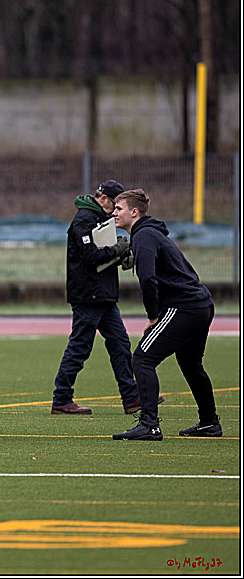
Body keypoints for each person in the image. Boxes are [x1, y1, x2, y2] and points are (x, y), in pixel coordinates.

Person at [111, 189, 220, 441]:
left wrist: (153, 316)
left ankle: (149, 424)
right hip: (200, 304)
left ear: (134, 212)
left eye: (119, 208)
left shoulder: (144, 235)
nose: (114, 213)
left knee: (142, 359)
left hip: (184, 306)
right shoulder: (151, 233)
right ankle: (209, 423)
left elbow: (148, 278)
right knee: (191, 364)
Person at [51, 180, 152, 416]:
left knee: (120, 344)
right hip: (88, 295)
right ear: (104, 199)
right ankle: (61, 399)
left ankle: (132, 399)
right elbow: (89, 255)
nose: (116, 212)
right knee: (80, 347)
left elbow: (100, 255)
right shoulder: (85, 219)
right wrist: (116, 251)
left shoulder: (99, 218)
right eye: (115, 205)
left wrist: (120, 256)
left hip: (103, 294)